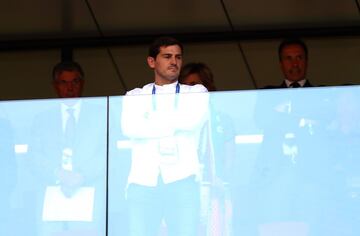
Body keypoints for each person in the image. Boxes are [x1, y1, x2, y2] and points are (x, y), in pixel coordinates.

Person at [121, 37, 209, 236]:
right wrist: (175, 124)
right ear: (152, 62)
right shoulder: (134, 95)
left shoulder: (196, 92)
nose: (174, 62)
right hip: (143, 181)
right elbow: (130, 128)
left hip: (183, 180)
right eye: (167, 56)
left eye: (178, 57)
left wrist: (149, 119)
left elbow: (192, 121)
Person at [30, 61, 106, 236]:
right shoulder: (41, 119)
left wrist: (81, 175)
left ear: (83, 83)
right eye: (64, 82)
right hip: (51, 193)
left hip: (89, 190)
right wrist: (58, 173)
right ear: (55, 86)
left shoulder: (100, 114)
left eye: (75, 81)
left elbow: (108, 152)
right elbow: (34, 156)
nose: (70, 87)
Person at [179, 62, 236, 236]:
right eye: (188, 86)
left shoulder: (222, 120)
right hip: (183, 194)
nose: (193, 91)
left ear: (209, 88)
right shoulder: (175, 121)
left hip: (214, 193)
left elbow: (230, 161)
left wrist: (220, 183)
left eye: (197, 85)